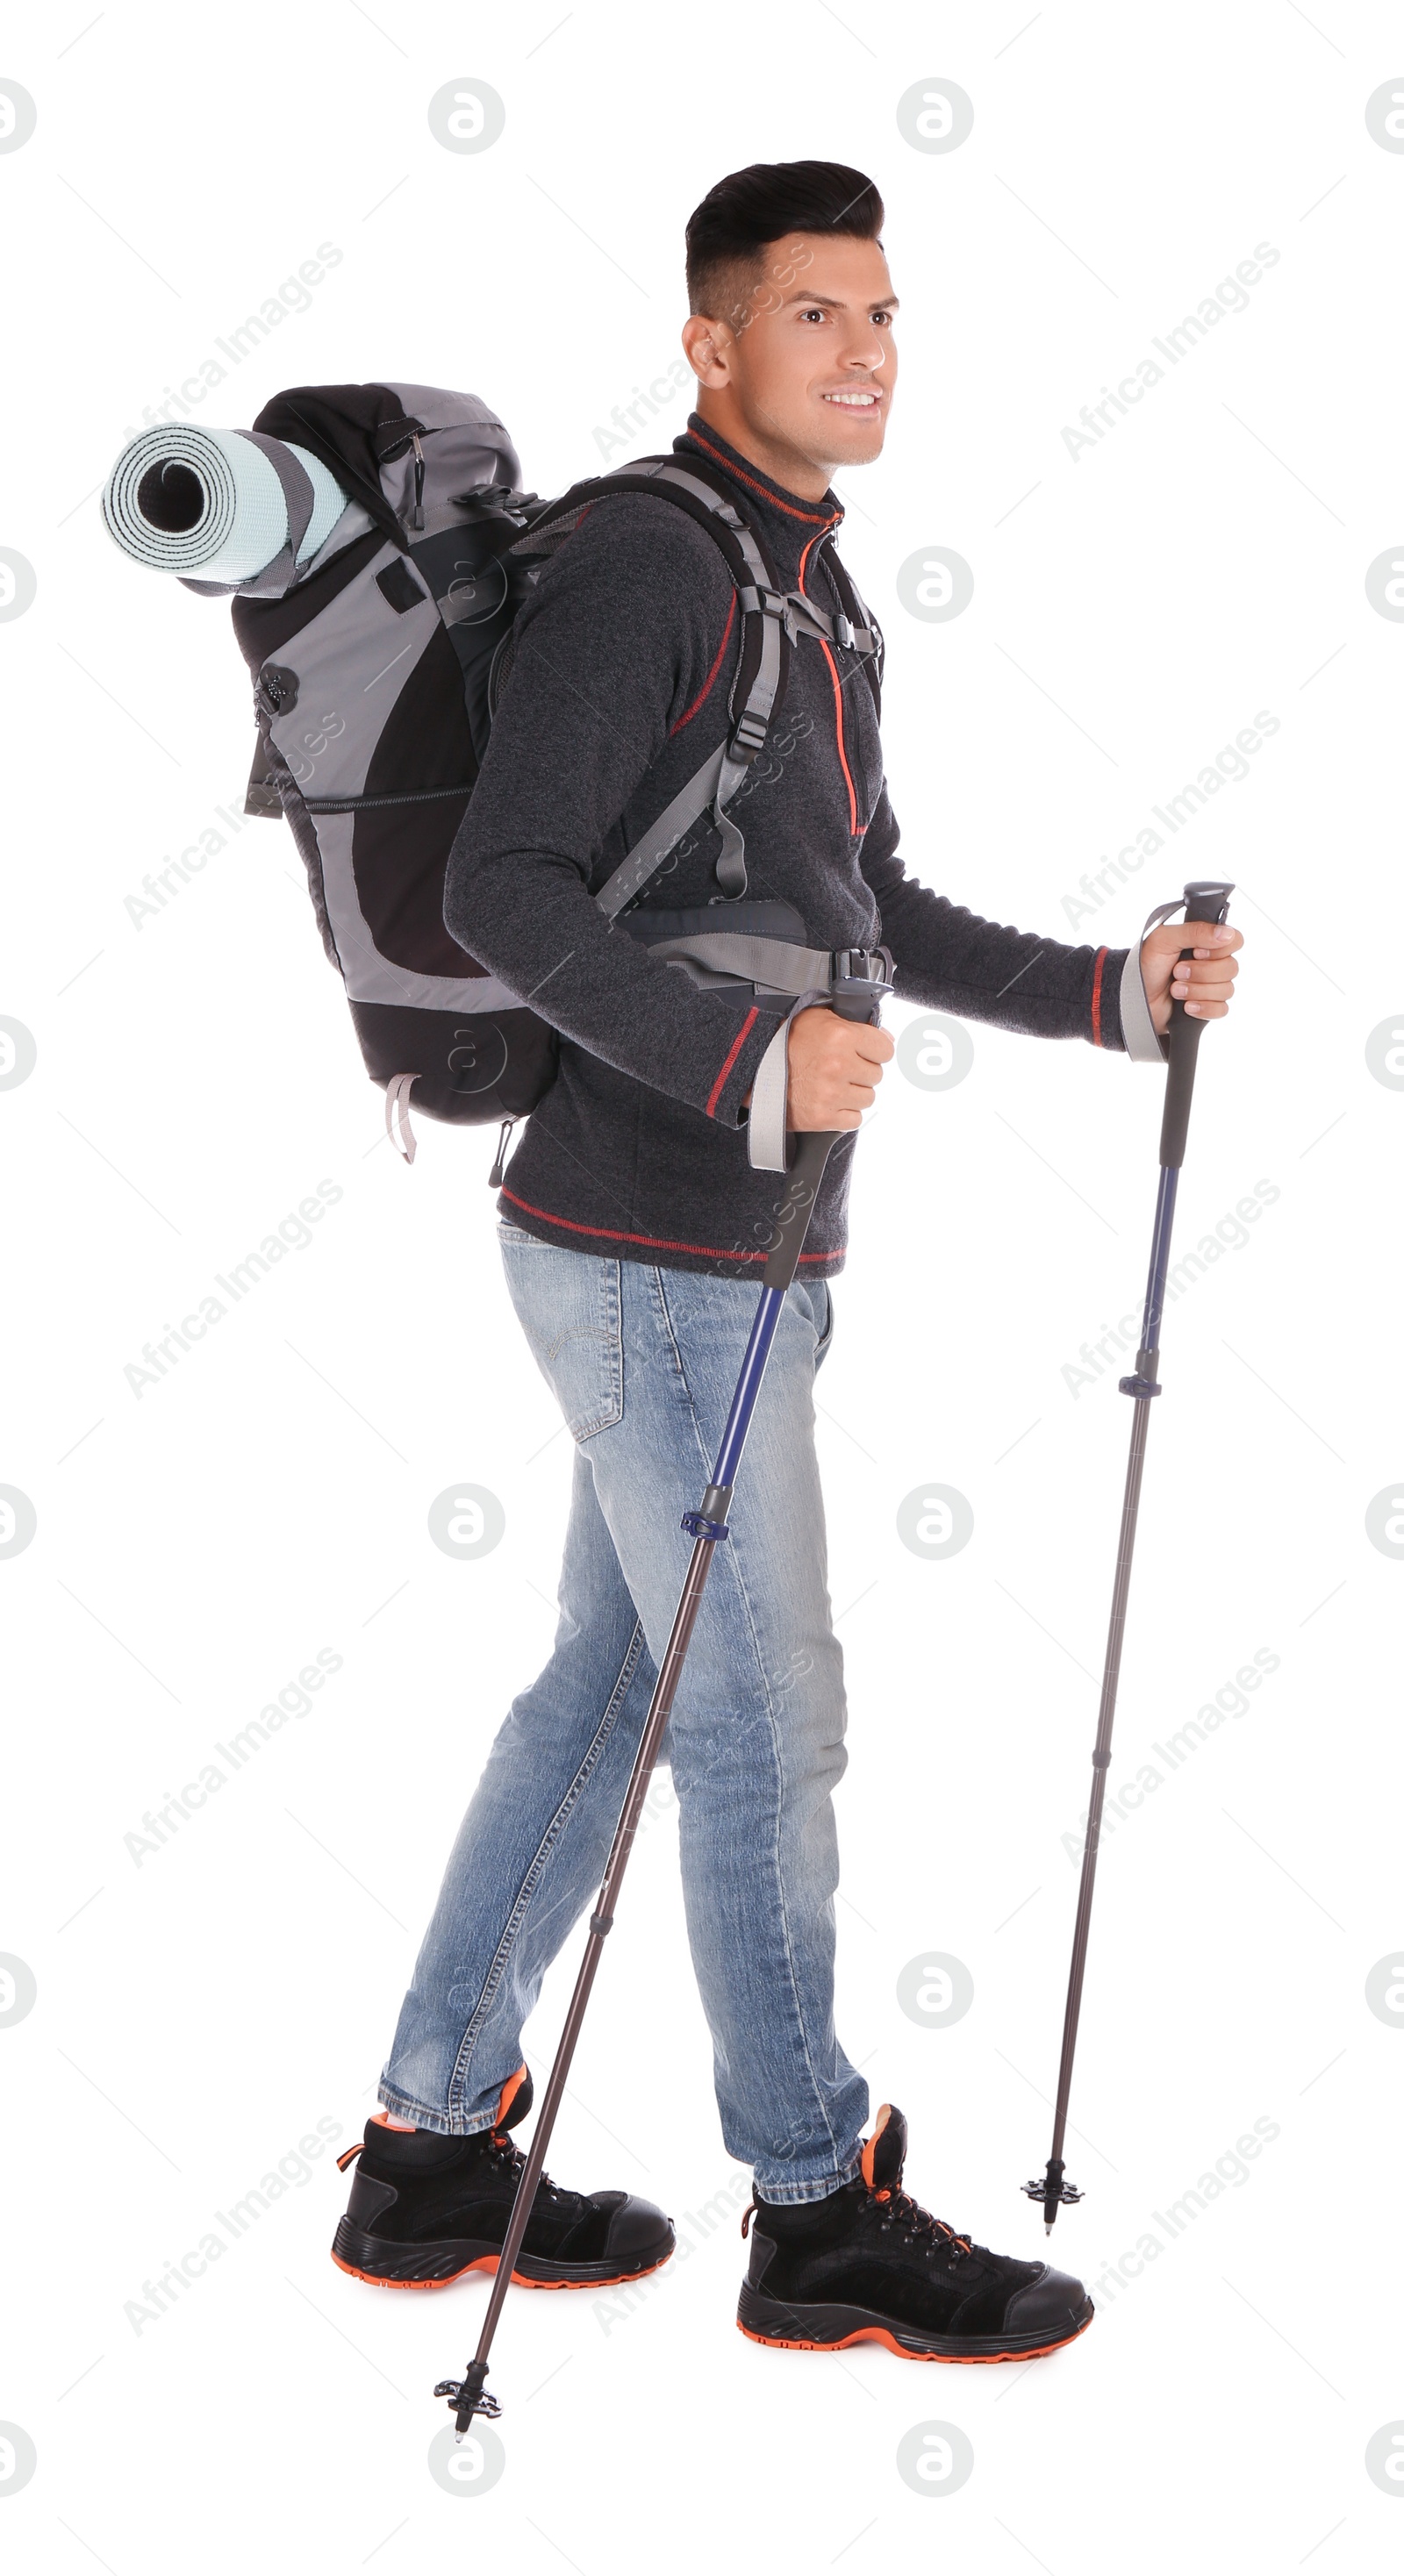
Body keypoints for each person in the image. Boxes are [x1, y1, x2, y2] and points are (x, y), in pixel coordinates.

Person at [332, 159, 1242, 2363]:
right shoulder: (648, 562)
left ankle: (434, 2147)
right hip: (652, 1245)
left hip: (730, 1245)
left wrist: (1113, 990)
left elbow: (873, 904)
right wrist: (750, 1053)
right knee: (760, 1723)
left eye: (882, 313)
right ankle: (811, 2198)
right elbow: (511, 897)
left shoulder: (806, 588)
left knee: (605, 1693)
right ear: (707, 338)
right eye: (812, 313)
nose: (862, 351)